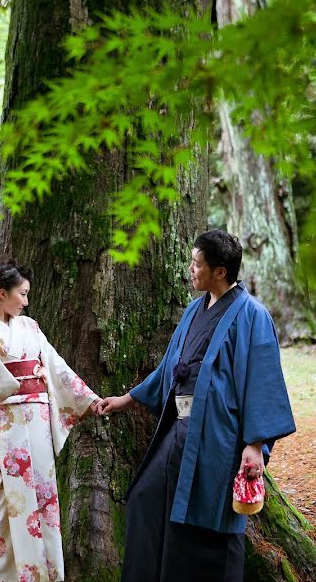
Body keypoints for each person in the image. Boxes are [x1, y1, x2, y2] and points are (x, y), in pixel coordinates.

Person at [98, 229, 296, 581]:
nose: (190, 269)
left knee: (208, 520)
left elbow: (262, 383)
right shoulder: (194, 309)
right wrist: (126, 399)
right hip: (180, 429)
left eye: (196, 263)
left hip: (219, 436)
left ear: (220, 271)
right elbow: (168, 369)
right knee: (148, 499)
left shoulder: (253, 316)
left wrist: (254, 445)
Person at [0, 260, 101, 582]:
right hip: (5, 421)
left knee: (44, 495)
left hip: (38, 418)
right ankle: (7, 576)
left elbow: (56, 366)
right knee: (5, 501)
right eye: (22, 293)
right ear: (1, 294)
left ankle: (47, 573)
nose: (26, 301)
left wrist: (87, 399)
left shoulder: (30, 327)